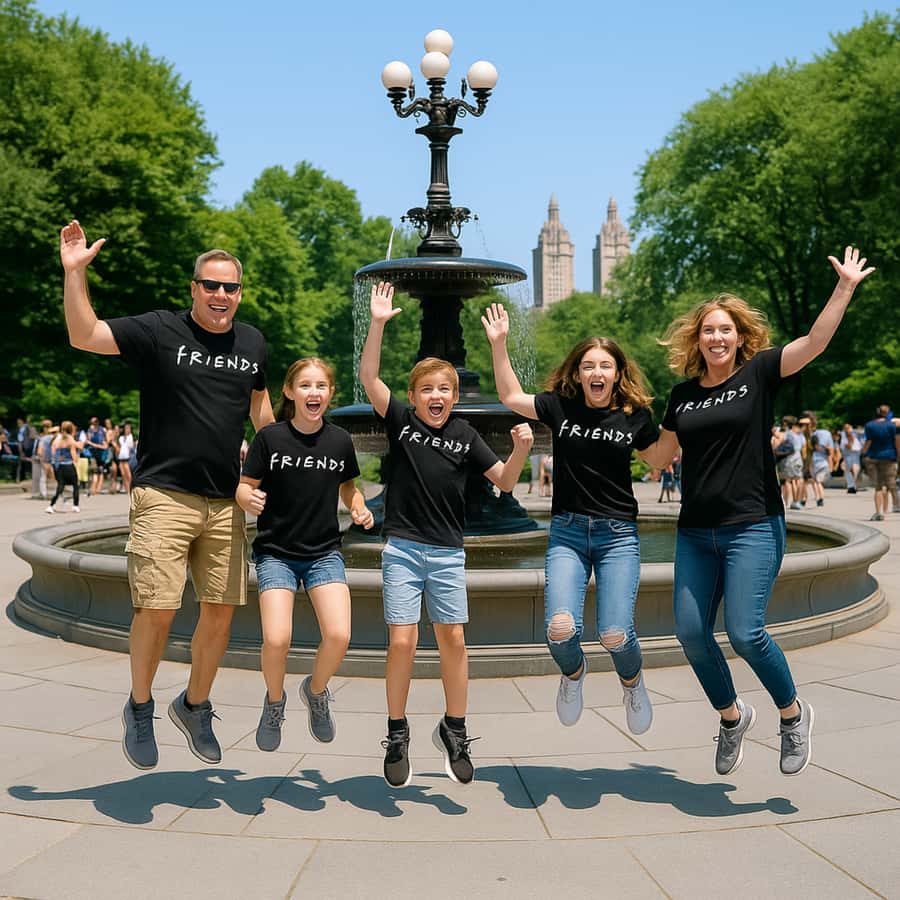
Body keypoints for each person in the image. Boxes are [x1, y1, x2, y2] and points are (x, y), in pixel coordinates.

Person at [644, 246, 874, 777]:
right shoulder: (681, 396)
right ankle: (731, 717)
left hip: (752, 524)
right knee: (692, 633)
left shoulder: (761, 373)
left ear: (740, 336)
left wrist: (844, 287)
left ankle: (792, 714)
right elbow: (658, 458)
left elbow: (814, 343)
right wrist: (609, 420)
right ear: (696, 338)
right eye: (708, 331)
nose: (716, 338)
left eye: (725, 330)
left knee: (746, 632)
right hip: (697, 532)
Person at [59, 219, 274, 770]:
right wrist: (75, 275)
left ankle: (194, 705)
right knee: (156, 609)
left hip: (225, 502)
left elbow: (261, 412)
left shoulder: (253, 343)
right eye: (210, 285)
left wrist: (270, 470)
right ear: (194, 288)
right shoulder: (160, 330)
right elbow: (84, 337)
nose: (220, 295)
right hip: (163, 495)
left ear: (240, 293)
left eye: (230, 287)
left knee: (222, 615)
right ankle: (139, 705)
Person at [360, 282, 532, 788]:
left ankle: (454, 728)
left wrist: (520, 447)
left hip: (448, 554)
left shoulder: (465, 434)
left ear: (455, 397)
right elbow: (369, 376)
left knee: (454, 639)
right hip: (404, 551)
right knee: (402, 643)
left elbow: (502, 481)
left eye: (445, 391)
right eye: (428, 391)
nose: (437, 397)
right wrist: (377, 323)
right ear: (413, 397)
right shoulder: (401, 423)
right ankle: (397, 732)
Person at [484, 303, 657, 735]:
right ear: (577, 374)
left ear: (618, 372)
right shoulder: (560, 407)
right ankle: (573, 675)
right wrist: (499, 344)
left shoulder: (636, 416)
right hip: (568, 533)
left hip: (618, 535)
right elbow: (509, 397)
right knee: (561, 630)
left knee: (615, 633)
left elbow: (664, 454)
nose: (596, 372)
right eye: (587, 366)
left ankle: (632, 682)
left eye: (605, 365)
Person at [237, 357, 374, 751]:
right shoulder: (271, 438)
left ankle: (316, 692)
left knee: (339, 635)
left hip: (323, 553)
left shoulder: (339, 440)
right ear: (289, 391)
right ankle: (275, 701)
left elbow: (349, 487)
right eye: (305, 386)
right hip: (276, 552)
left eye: (321, 386)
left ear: (330, 394)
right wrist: (248, 497)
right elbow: (244, 486)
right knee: (277, 640)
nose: (313, 393)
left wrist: (359, 504)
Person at [861, 405, 899, 521]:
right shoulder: (891, 426)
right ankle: (896, 504)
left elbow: (868, 441)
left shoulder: (869, 425)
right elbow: (897, 442)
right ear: (887, 413)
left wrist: (863, 453)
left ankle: (879, 512)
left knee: (878, 486)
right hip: (889, 457)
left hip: (873, 457)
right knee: (891, 483)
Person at [45, 421, 81, 513]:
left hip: (60, 466)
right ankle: (75, 505)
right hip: (69, 465)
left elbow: (53, 452)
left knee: (60, 485)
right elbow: (73, 455)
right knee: (75, 485)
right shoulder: (70, 439)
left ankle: (51, 505)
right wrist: (76, 462)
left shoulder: (58, 439)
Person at [84, 416, 107, 496]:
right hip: (93, 454)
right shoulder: (90, 430)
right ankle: (94, 490)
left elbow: (105, 445)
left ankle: (97, 490)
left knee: (99, 471)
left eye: (94, 422)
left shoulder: (102, 431)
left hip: (100, 454)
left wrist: (92, 444)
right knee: (96, 471)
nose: (92, 424)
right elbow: (87, 440)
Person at [840, 423, 863, 494]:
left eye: (848, 428)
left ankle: (852, 485)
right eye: (845, 428)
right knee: (848, 469)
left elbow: (849, 445)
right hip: (849, 454)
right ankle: (852, 485)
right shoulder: (844, 434)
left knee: (851, 469)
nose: (846, 429)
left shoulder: (852, 434)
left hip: (852, 453)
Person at [117, 421, 135, 493]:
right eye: (126, 428)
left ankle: (131, 489)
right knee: (123, 474)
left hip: (128, 457)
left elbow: (131, 447)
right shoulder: (121, 437)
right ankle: (127, 489)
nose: (127, 429)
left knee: (129, 475)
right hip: (121, 457)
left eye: (129, 428)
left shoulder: (130, 437)